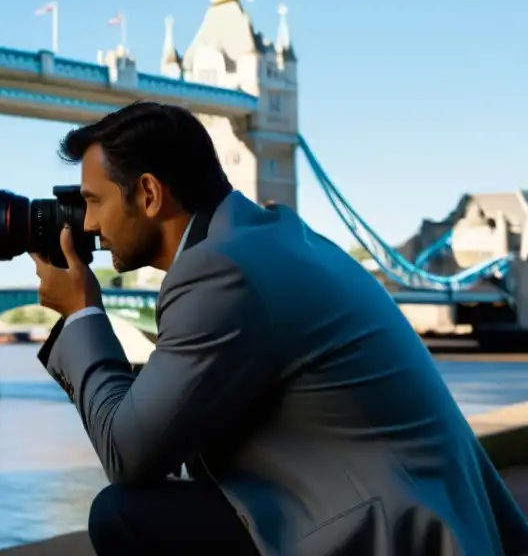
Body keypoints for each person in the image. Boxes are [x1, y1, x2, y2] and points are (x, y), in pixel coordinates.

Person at [30, 101, 528, 556]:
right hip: (428, 505)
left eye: (93, 201)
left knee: (123, 515)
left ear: (149, 193)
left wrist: (81, 313)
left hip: (393, 533)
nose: (87, 224)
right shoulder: (267, 238)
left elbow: (128, 454)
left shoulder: (221, 272)